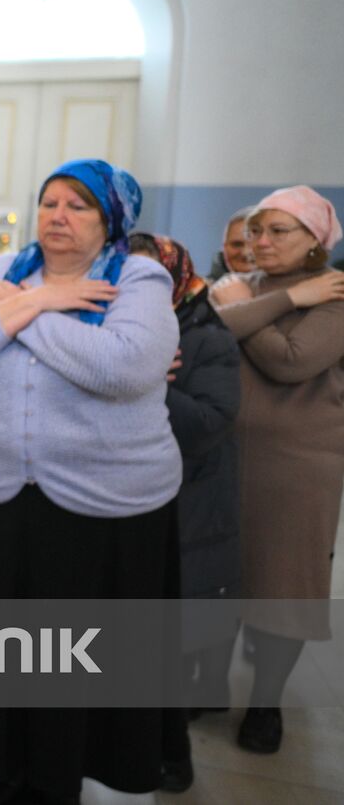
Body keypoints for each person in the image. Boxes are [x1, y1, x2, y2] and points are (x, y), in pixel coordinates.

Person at [0, 159, 181, 805]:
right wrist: (36, 297)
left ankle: (53, 781)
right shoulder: (3, 271)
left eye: (78, 205)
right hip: (0, 491)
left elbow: (126, 367)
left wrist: (15, 315)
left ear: (110, 220)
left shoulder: (138, 276)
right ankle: (5, 767)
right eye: (49, 202)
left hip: (103, 501)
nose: (57, 216)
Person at [208, 185, 344, 754]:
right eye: (255, 231)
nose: (259, 242)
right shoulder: (246, 287)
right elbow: (210, 338)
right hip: (227, 460)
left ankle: (266, 705)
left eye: (278, 232)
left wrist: (249, 306)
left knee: (282, 588)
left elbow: (291, 363)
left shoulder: (334, 296)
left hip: (296, 470)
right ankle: (207, 685)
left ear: (316, 241)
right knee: (223, 579)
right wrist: (263, 301)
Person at [128, 233, 241, 794]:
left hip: (184, 500)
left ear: (175, 274)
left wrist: (151, 385)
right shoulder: (112, 324)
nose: (140, 289)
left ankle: (169, 753)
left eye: (152, 277)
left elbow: (207, 423)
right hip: (120, 497)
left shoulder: (205, 333)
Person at [207, 205, 256, 281]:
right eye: (237, 244)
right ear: (224, 247)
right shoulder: (200, 291)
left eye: (253, 244)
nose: (245, 252)